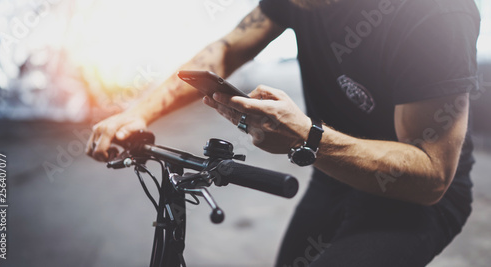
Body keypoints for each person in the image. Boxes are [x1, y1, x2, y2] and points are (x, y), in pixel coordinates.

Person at [86, 0, 481, 266]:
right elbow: (229, 46)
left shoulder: (437, 15)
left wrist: (308, 138)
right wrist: (139, 112)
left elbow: (432, 175)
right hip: (333, 174)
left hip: (416, 198)